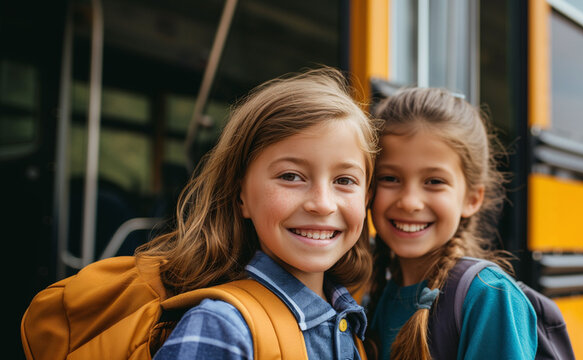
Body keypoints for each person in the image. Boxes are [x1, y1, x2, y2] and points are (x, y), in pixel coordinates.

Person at [139, 67, 378, 359]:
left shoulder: (350, 323)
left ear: (366, 198)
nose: (323, 204)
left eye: (344, 181)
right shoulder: (222, 328)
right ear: (241, 196)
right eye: (291, 176)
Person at [367, 88, 538, 360]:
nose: (410, 202)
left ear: (472, 198)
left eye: (434, 182)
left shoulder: (487, 296)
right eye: (389, 178)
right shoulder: (380, 293)